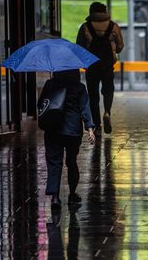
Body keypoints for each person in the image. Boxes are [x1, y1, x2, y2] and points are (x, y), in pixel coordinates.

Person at [38, 70, 96, 208]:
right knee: (71, 161)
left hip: (53, 129)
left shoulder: (50, 84)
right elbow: (85, 108)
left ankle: (55, 197)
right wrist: (90, 128)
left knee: (54, 163)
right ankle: (72, 194)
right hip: (73, 130)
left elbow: (41, 103)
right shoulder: (79, 87)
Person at [76, 2, 124, 137]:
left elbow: (79, 47)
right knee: (108, 90)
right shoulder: (113, 26)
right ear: (105, 11)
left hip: (92, 65)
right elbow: (120, 46)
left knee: (93, 96)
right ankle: (107, 112)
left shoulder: (85, 27)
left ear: (91, 12)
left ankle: (97, 126)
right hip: (107, 65)